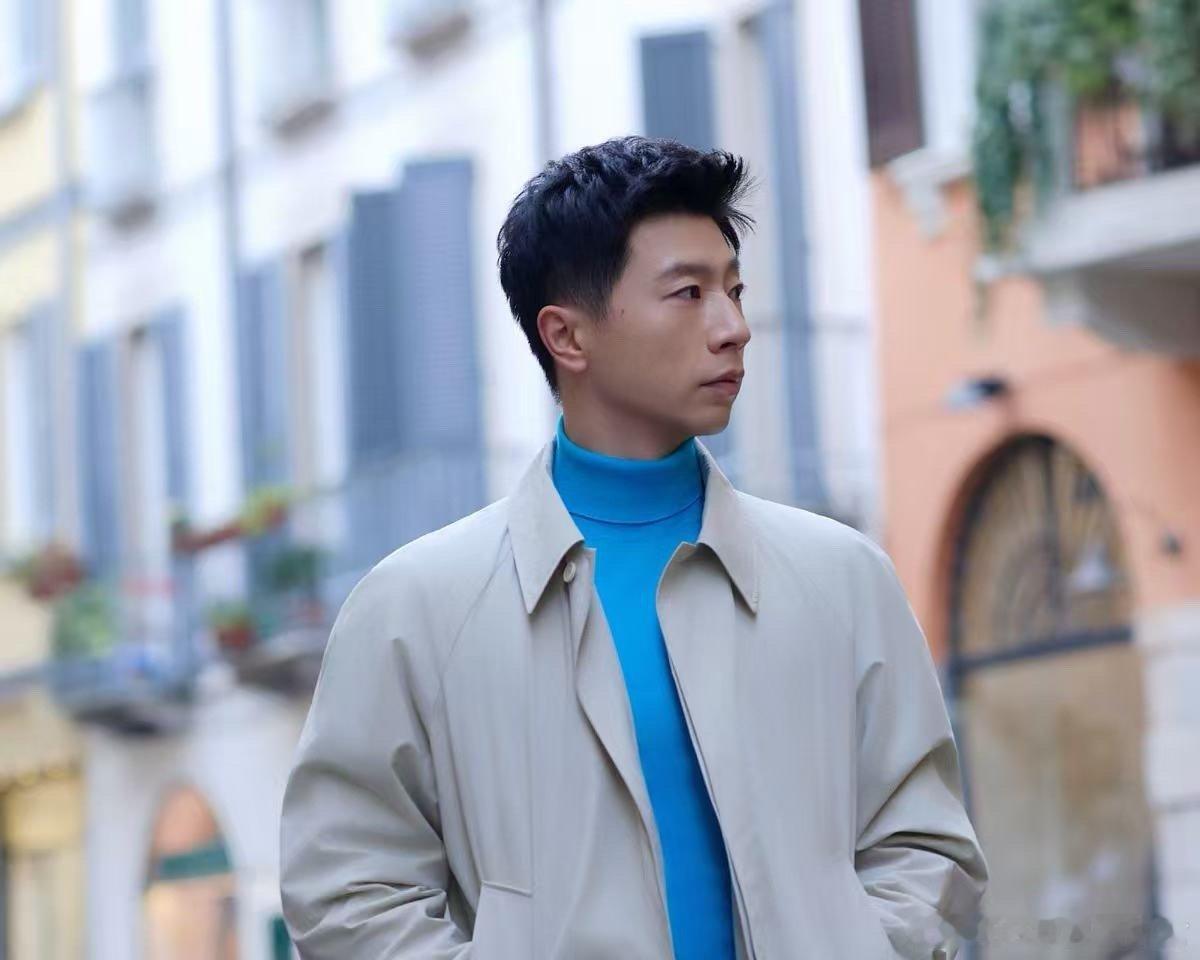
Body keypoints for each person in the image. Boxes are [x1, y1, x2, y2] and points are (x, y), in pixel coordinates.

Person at [279, 135, 988, 959]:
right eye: (688, 294)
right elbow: (347, 887)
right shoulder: (417, 606)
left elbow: (925, 844)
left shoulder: (843, 578)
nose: (734, 328)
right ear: (567, 337)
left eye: (734, 290)